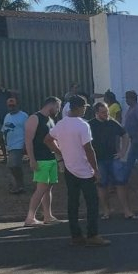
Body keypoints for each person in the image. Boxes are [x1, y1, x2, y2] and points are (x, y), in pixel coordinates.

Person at [47, 95, 110, 247]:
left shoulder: (61, 124)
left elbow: (47, 139)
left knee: (73, 202)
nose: (84, 110)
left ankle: (76, 235)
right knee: (92, 203)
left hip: (69, 168)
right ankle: (92, 234)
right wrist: (95, 169)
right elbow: (89, 149)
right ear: (79, 108)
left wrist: (60, 151)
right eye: (84, 108)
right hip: (85, 170)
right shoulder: (83, 125)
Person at [90, 101, 136, 220]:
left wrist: (122, 151)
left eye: (107, 112)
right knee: (101, 185)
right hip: (98, 160)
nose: (106, 114)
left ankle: (127, 210)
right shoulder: (90, 125)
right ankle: (106, 211)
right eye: (103, 112)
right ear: (96, 113)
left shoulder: (112, 123)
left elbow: (125, 135)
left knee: (121, 183)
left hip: (113, 158)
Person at [23, 96, 63, 227]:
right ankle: (30, 218)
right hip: (40, 159)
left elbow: (54, 140)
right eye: (58, 107)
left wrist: (60, 156)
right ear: (51, 105)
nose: (58, 110)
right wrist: (32, 159)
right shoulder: (35, 118)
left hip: (51, 158)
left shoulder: (51, 121)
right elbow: (28, 140)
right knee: (41, 188)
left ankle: (48, 215)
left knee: (48, 188)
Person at [0, 97, 29, 194]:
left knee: (13, 165)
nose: (11, 107)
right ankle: (19, 185)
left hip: (19, 144)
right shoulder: (7, 116)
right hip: (10, 145)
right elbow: (4, 130)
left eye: (13, 105)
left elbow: (28, 131)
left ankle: (17, 185)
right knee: (15, 166)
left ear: (17, 105)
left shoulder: (23, 116)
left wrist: (26, 143)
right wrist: (0, 142)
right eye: (9, 105)